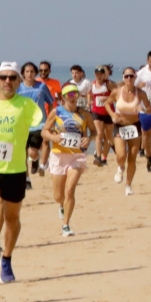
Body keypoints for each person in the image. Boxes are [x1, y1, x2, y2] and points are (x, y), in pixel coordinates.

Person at [0, 62, 43, 283]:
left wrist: (34, 146)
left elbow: (37, 126)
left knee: (12, 218)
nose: (8, 81)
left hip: (15, 171)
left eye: (13, 77)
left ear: (19, 81)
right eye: (3, 77)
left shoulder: (27, 104)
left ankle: (7, 259)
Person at [41, 84, 96, 236]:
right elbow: (44, 132)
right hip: (59, 155)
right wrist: (53, 137)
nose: (73, 98)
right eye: (69, 95)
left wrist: (89, 139)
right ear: (63, 98)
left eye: (75, 94)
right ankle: (61, 205)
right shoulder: (56, 112)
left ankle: (66, 225)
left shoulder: (85, 115)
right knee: (58, 196)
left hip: (77, 156)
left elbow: (94, 131)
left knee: (70, 190)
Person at [105, 68, 151, 195]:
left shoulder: (140, 93)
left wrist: (142, 108)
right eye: (126, 76)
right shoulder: (116, 92)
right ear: (123, 78)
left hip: (134, 126)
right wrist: (112, 114)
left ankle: (128, 186)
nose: (129, 79)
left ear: (135, 77)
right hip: (120, 125)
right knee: (121, 155)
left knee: (132, 158)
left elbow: (149, 109)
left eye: (131, 76)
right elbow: (107, 103)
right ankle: (120, 167)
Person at [18, 62, 54, 178]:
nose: (29, 74)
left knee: (32, 152)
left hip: (38, 124)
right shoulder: (18, 88)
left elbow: (51, 102)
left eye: (32, 71)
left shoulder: (42, 87)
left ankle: (35, 159)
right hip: (22, 125)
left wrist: (50, 119)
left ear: (35, 73)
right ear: (23, 73)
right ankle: (26, 178)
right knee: (22, 153)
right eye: (27, 72)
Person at [90, 66, 115, 166]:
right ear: (95, 74)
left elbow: (116, 97)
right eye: (97, 74)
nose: (99, 76)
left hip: (109, 112)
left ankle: (104, 157)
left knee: (108, 136)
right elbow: (89, 94)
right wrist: (89, 100)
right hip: (96, 112)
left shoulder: (108, 84)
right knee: (99, 134)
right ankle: (99, 157)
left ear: (104, 74)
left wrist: (108, 99)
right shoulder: (92, 84)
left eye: (101, 74)